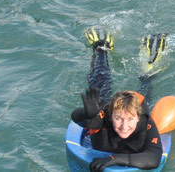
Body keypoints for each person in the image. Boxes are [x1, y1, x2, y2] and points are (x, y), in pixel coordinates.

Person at [70, 27, 169, 172]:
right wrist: (87, 114)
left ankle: (149, 68)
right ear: (111, 116)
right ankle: (101, 47)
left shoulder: (145, 123)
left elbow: (153, 159)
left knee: (146, 86)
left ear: (137, 118)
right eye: (118, 118)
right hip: (107, 106)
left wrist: (114, 159)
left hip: (134, 107)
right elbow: (76, 119)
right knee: (98, 84)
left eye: (130, 119)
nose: (124, 126)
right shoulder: (103, 119)